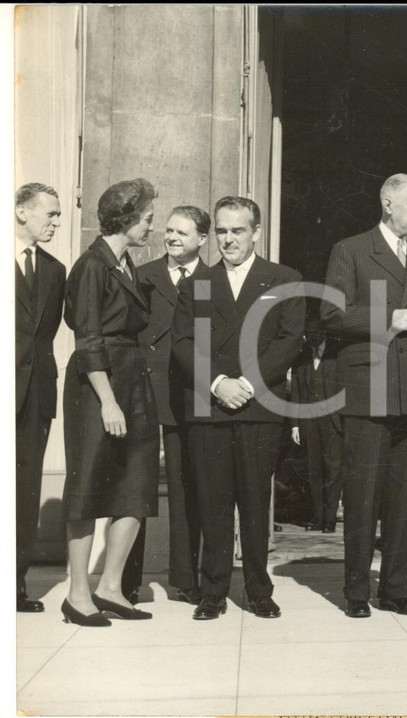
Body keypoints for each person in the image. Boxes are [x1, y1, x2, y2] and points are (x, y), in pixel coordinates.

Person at [323, 173, 407, 619]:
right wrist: (388, 315)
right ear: (387, 203)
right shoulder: (351, 249)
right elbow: (331, 314)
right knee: (363, 494)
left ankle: (396, 589)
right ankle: (356, 591)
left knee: (406, 498)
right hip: (369, 388)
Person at [172, 196, 305, 621]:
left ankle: (258, 590)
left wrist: (246, 384)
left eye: (238, 231)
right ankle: (212, 591)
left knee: (253, 500)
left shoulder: (283, 278)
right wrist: (217, 384)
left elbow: (289, 340)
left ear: (256, 233)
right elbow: (183, 342)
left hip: (257, 406)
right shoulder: (197, 283)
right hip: (210, 405)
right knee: (212, 501)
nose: (229, 239)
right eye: (223, 231)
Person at [61, 178, 161, 626]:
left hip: (131, 377)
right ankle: (78, 593)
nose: (152, 228)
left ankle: (110, 587)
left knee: (137, 483)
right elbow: (88, 339)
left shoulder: (125, 265)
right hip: (96, 384)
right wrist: (107, 401)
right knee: (87, 488)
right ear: (127, 218)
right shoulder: (91, 266)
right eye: (147, 219)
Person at [129, 206, 212, 605]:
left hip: (189, 394)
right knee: (135, 486)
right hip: (143, 392)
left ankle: (186, 579)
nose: (172, 237)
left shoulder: (213, 281)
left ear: (202, 239)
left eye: (182, 232)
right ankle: (127, 581)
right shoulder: (142, 276)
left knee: (185, 487)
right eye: (168, 230)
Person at [15, 183, 66, 614]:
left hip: (36, 399)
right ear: (20, 213)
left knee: (25, 492)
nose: (56, 222)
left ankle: (14, 587)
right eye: (49, 214)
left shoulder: (55, 269)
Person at [290, 317, 343, 534]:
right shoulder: (301, 358)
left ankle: (330, 519)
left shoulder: (337, 356)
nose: (311, 337)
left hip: (333, 422)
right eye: (308, 333)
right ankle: (319, 518)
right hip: (309, 422)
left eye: (315, 333)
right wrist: (295, 425)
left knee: (333, 469)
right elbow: (295, 393)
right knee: (314, 471)